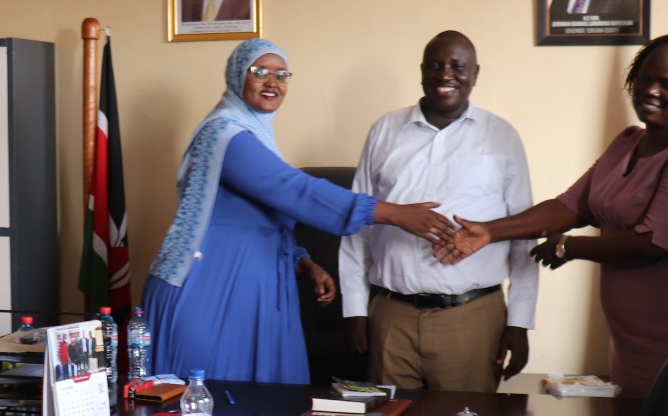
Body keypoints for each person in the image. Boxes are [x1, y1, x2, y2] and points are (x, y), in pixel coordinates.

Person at [438, 34, 668, 396]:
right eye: (645, 78)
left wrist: (569, 247)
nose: (651, 90)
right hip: (631, 341)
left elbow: (653, 243)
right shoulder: (627, 142)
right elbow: (570, 206)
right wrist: (489, 230)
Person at [142, 38, 446, 384]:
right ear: (237, 76)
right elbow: (294, 191)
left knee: (262, 407)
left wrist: (302, 262)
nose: (272, 82)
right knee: (210, 406)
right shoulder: (225, 134)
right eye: (260, 72)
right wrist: (393, 213)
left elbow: (259, 218)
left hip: (247, 294)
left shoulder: (254, 135)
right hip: (208, 295)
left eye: (281, 74)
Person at [339, 31, 538, 391]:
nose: (446, 75)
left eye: (457, 67)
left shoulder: (502, 136)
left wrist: (519, 322)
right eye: (435, 65)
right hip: (391, 317)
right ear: (422, 72)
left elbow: (523, 232)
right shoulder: (385, 130)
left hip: (472, 319)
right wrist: (354, 309)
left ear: (475, 74)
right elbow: (358, 221)